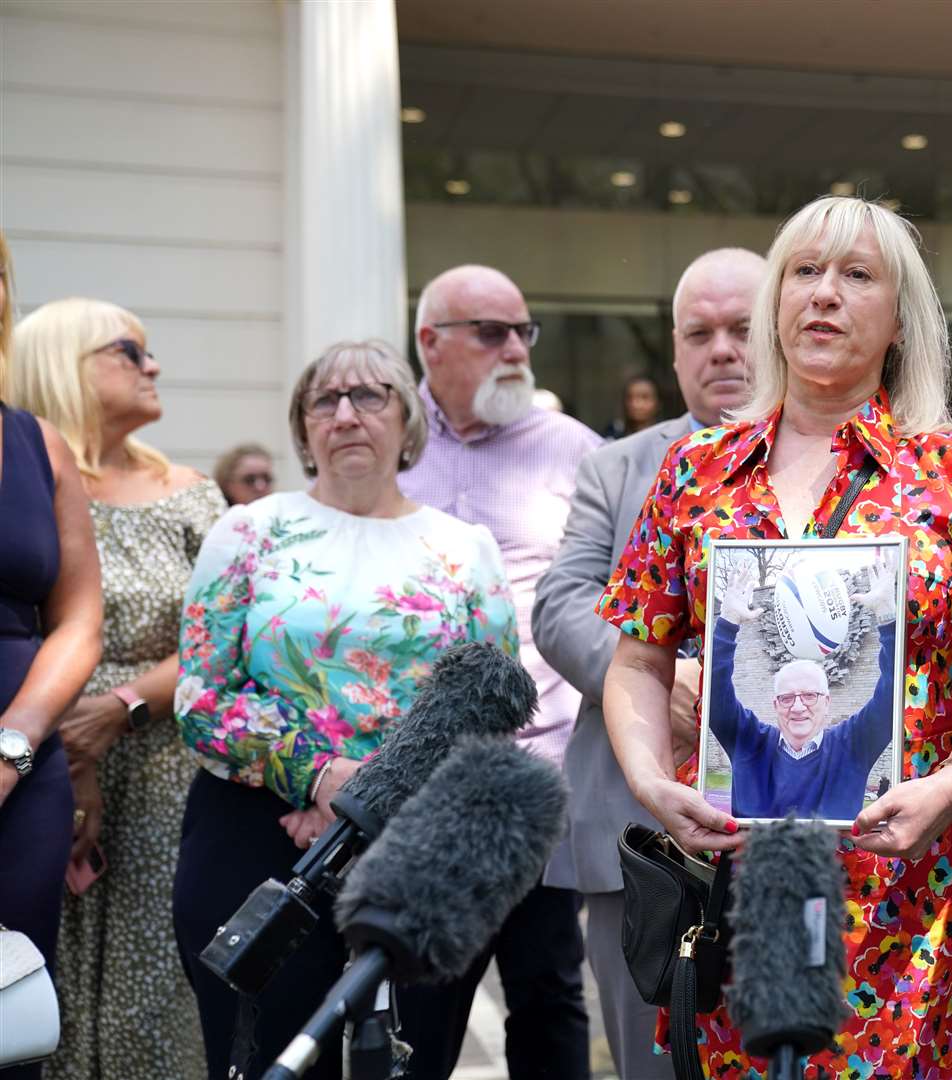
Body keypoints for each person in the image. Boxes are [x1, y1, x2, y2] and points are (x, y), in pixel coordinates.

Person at [597, 196, 952, 1077]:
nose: (825, 296)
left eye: (856, 275)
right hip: (734, 887)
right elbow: (638, 663)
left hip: (908, 892)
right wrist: (651, 783)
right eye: (804, 272)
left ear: (900, 318)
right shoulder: (696, 471)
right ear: (775, 303)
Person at [171, 341, 519, 1080]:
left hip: (415, 850)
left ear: (408, 420)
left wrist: (375, 798)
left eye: (369, 396)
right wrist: (319, 778)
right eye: (323, 400)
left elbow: (488, 705)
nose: (345, 414)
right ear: (302, 429)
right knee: (262, 1060)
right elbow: (202, 697)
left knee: (405, 1061)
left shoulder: (464, 548)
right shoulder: (246, 531)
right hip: (255, 836)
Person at [533, 246, 763, 1079]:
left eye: (741, 328)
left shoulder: (845, 464)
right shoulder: (617, 467)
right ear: (674, 352)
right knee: (654, 1066)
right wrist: (657, 679)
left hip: (802, 832)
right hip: (642, 841)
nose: (723, 350)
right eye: (699, 334)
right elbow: (560, 605)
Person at [10, 298, 224, 1080]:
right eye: (130, 351)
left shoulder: (192, 493)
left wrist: (121, 709)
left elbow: (222, 638)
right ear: (65, 363)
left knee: (157, 991)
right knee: (34, 985)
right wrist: (72, 748)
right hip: (35, 765)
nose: (153, 366)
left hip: (164, 771)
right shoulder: (23, 491)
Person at [403, 265, 600, 1078]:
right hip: (408, 780)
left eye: (525, 331)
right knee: (418, 997)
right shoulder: (383, 436)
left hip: (538, 773)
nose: (516, 349)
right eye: (491, 332)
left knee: (547, 994)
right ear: (430, 343)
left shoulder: (575, 450)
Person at [0, 231, 104, 1080]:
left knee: (9, 1015)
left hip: (21, 768)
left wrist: (12, 748)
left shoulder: (40, 445)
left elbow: (77, 620)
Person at [708, 559, 896, 820]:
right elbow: (714, 694)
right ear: (775, 705)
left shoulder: (853, 745)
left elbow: (893, 697)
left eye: (809, 696)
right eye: (786, 698)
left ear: (827, 702)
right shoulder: (749, 740)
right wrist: (728, 621)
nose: (797, 707)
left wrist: (887, 613)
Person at [604, 373, 661, 439]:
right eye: (630, 397)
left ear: (658, 402)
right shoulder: (613, 433)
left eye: (644, 397)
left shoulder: (667, 437)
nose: (636, 404)